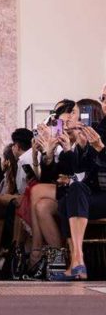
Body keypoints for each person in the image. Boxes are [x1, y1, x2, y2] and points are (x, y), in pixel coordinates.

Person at [51, 99, 106, 280]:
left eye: (105, 97)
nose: (102, 101)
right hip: (97, 194)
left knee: (69, 196)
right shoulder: (97, 129)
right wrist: (82, 147)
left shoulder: (99, 134)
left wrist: (100, 148)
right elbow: (83, 171)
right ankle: (78, 259)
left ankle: (75, 262)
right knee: (71, 192)